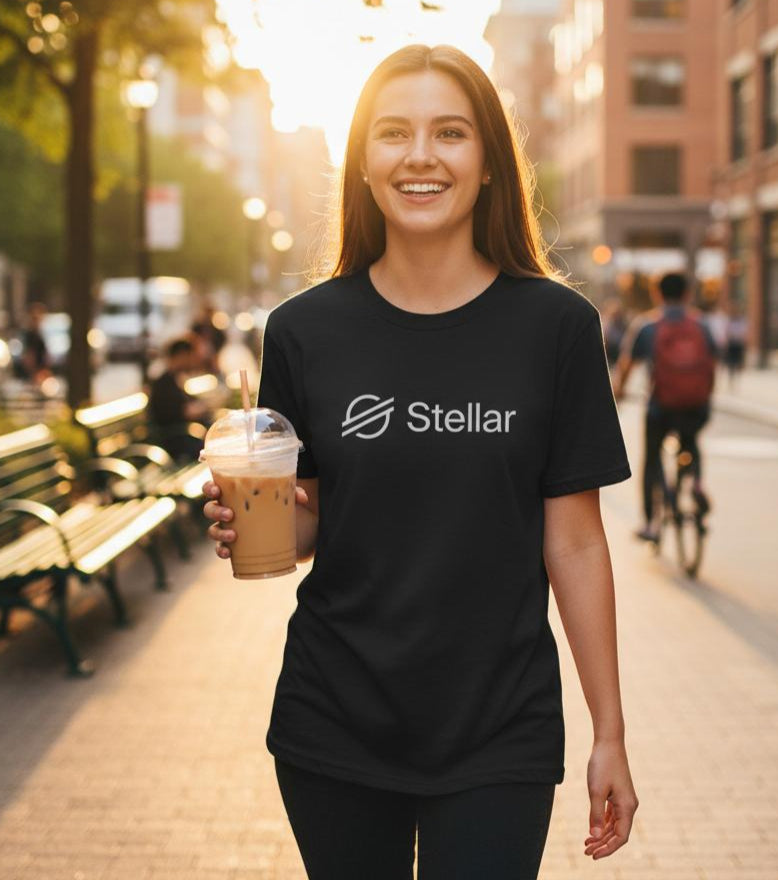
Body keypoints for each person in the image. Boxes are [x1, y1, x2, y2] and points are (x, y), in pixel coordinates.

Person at [202, 44, 638, 879]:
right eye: (393, 133)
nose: (421, 156)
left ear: (488, 166)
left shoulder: (557, 328)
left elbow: (576, 543)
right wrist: (256, 521)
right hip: (335, 715)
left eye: (451, 133)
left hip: (499, 722)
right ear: (363, 163)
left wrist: (608, 731)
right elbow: (311, 522)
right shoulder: (303, 331)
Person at [613, 272, 717, 544]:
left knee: (652, 458)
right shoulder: (701, 326)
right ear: (687, 294)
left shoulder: (648, 326)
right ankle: (694, 482)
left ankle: (649, 523)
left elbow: (627, 365)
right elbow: (713, 363)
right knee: (691, 441)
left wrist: (619, 392)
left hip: (661, 406)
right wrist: (705, 397)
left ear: (657, 294)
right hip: (696, 405)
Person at [148, 335, 209, 460]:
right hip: (176, 440)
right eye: (190, 356)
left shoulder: (174, 378)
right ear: (181, 355)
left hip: (185, 435)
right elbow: (181, 412)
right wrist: (198, 409)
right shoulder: (164, 383)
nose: (193, 361)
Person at [19, 301, 52, 386]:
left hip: (40, 371)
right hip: (34, 372)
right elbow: (29, 356)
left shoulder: (40, 334)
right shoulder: (30, 335)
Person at [724, 302, 748, 389]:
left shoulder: (742, 321)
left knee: (738, 363)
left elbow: (744, 333)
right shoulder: (729, 320)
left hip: (738, 343)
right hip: (731, 343)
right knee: (731, 364)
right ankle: (731, 380)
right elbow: (726, 332)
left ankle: (736, 381)